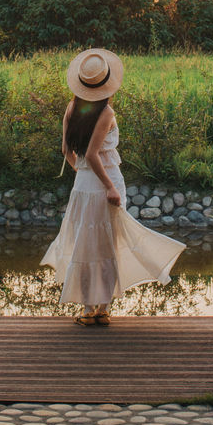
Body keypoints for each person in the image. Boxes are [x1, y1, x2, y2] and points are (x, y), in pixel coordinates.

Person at [41, 48, 186, 326]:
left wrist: (81, 172)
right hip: (105, 182)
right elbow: (95, 155)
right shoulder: (106, 111)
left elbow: (67, 151)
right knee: (108, 244)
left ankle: (87, 310)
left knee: (85, 244)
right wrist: (109, 187)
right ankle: (103, 309)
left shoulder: (71, 107)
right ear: (107, 84)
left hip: (82, 186)